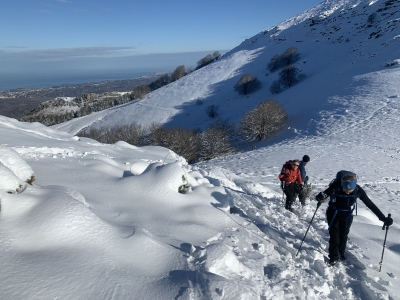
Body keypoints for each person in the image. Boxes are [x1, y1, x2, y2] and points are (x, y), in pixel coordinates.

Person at [316, 170, 393, 266]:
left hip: (347, 214)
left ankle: (341, 253)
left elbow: (369, 204)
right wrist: (320, 197)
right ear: (342, 184)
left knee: (343, 235)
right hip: (333, 213)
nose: (348, 193)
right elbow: (324, 194)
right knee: (334, 235)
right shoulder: (335, 187)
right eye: (345, 190)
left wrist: (383, 218)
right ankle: (333, 257)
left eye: (350, 190)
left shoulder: (358, 190)